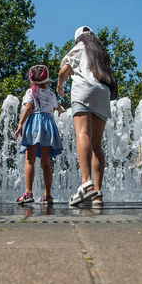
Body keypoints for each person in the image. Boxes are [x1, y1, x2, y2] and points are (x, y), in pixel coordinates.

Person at [57, 26, 118, 206]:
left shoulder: (80, 47)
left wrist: (60, 86)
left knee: (83, 134)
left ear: (78, 39)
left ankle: (86, 182)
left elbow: (63, 71)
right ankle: (98, 194)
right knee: (97, 143)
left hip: (84, 91)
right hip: (103, 93)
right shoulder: (100, 53)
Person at [15, 65, 65, 204]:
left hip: (35, 124)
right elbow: (57, 106)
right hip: (48, 126)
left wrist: (20, 124)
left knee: (30, 159)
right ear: (47, 80)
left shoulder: (30, 92)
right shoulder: (51, 94)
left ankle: (28, 193)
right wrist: (61, 111)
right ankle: (47, 195)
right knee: (45, 162)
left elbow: (28, 106)